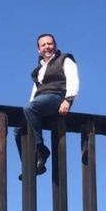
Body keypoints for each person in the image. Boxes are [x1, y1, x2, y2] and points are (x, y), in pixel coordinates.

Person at [15, 33, 79, 178]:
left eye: (49, 44)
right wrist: (30, 108)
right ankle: (31, 163)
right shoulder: (39, 69)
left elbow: (73, 79)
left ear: (55, 45)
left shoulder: (65, 59)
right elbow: (35, 92)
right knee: (18, 129)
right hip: (41, 101)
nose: (47, 47)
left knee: (30, 108)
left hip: (57, 96)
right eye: (43, 45)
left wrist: (68, 100)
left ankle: (41, 149)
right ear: (39, 50)